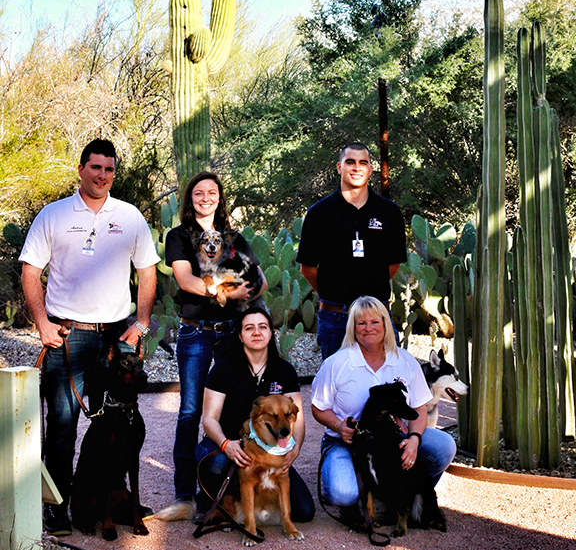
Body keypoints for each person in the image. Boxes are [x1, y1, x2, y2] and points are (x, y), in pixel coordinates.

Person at [19, 138, 159, 536]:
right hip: (67, 336)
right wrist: (42, 323)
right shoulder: (54, 214)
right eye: (96, 167)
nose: (102, 175)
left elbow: (147, 271)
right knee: (63, 426)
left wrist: (142, 323)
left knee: (115, 426)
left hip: (117, 338)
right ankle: (57, 507)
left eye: (109, 169)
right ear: (81, 169)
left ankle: (110, 497)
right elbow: (31, 271)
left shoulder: (129, 216)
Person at [155, 172, 267, 520]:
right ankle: (185, 497)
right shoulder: (179, 237)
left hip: (231, 332)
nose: (206, 197)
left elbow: (259, 281)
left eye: (212, 192)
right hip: (196, 334)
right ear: (190, 198)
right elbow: (186, 280)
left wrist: (240, 293)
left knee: (235, 409)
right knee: (190, 412)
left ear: (220, 198)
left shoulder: (235, 239)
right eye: (199, 192)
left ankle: (234, 492)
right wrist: (224, 291)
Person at [311, 295, 456, 520]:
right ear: (353, 327)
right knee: (343, 492)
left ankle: (403, 495)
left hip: (391, 438)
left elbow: (419, 409)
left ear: (386, 324)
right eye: (361, 323)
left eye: (375, 322)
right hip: (344, 441)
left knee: (444, 446)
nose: (368, 328)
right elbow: (318, 409)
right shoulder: (337, 363)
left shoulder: (405, 361)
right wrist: (340, 427)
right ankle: (354, 494)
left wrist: (415, 440)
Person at [196, 306, 315, 523]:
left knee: (305, 511)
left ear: (271, 333)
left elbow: (297, 418)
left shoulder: (284, 371)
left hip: (269, 450)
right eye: (249, 328)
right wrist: (225, 444)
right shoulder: (223, 369)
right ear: (240, 336)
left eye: (263, 327)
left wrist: (295, 447)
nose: (257, 332)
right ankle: (211, 501)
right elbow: (209, 419)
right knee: (217, 465)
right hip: (227, 443)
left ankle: (251, 500)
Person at [297, 142, 407, 360]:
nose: (356, 167)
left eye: (362, 162)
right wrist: (333, 293)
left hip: (378, 316)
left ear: (370, 169)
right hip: (335, 318)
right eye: (350, 162)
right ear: (339, 167)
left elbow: (393, 265)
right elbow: (307, 268)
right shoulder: (319, 213)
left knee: (389, 384)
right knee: (338, 388)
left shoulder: (389, 212)